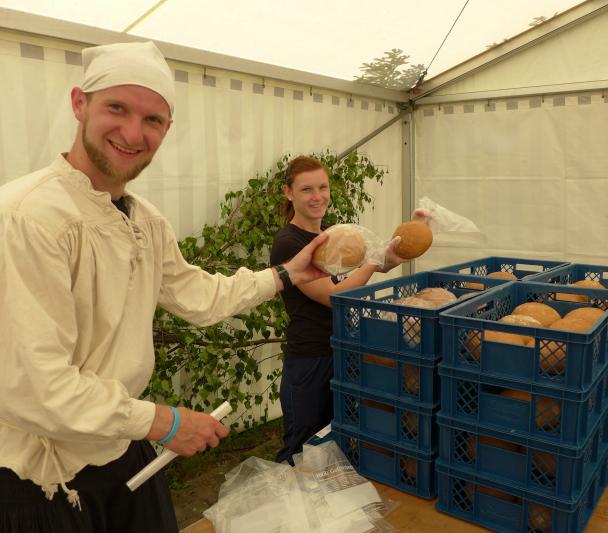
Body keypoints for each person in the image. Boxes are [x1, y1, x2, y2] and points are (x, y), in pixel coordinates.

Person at [0, 41, 329, 533]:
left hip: (119, 444)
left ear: (167, 129)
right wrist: (166, 423)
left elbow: (199, 296)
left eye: (152, 119)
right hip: (42, 476)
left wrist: (285, 275)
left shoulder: (144, 220)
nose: (133, 133)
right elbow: (36, 388)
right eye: (117, 108)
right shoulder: (27, 217)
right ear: (79, 104)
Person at [269, 156, 427, 465]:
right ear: (289, 193)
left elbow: (362, 273)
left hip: (340, 350)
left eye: (323, 187)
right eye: (307, 189)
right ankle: (285, 493)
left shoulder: (328, 236)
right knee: (303, 447)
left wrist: (408, 237)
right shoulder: (289, 243)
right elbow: (335, 296)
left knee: (335, 441)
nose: (317, 196)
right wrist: (372, 261)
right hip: (311, 358)